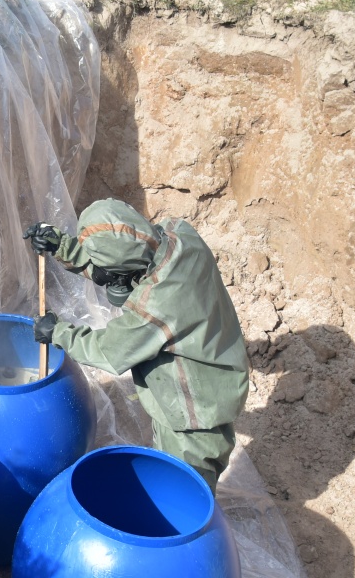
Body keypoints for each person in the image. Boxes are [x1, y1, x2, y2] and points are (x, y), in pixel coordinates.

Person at [26, 199, 249, 487]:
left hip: (194, 408)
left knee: (185, 486)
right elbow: (122, 249)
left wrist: (58, 333)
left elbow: (110, 350)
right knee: (171, 465)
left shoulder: (157, 303)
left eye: (115, 276)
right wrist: (62, 247)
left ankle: (193, 529)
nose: (109, 281)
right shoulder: (177, 234)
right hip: (214, 373)